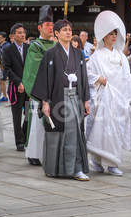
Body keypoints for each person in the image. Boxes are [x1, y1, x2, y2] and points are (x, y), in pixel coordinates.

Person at [86, 11, 131, 176]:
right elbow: (89, 74)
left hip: (119, 97)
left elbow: (126, 77)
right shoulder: (97, 56)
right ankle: (97, 161)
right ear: (104, 36)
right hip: (104, 97)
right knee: (102, 130)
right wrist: (99, 78)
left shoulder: (120, 55)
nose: (113, 36)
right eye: (110, 33)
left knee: (115, 130)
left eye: (115, 33)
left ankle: (112, 163)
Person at [31, 19, 91, 181]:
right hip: (58, 97)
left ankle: (76, 168)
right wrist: (45, 102)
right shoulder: (50, 54)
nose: (68, 32)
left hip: (75, 96)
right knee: (59, 133)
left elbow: (84, 78)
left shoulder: (78, 53)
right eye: (64, 30)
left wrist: (86, 100)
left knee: (75, 132)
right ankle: (56, 168)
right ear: (56, 34)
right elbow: (44, 78)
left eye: (70, 29)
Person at [23, 5, 57, 166]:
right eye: (47, 25)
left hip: (56, 91)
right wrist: (43, 92)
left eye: (52, 25)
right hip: (41, 90)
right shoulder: (35, 46)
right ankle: (35, 154)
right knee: (38, 125)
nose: (51, 28)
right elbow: (33, 71)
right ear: (40, 27)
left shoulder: (57, 45)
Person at [3, 23, 29, 152]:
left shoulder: (29, 48)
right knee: (17, 115)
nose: (22, 34)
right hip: (15, 87)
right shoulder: (8, 50)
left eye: (23, 32)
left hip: (29, 88)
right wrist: (19, 82)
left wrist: (27, 83)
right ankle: (19, 141)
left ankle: (25, 136)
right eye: (19, 32)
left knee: (29, 113)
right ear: (13, 36)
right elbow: (7, 69)